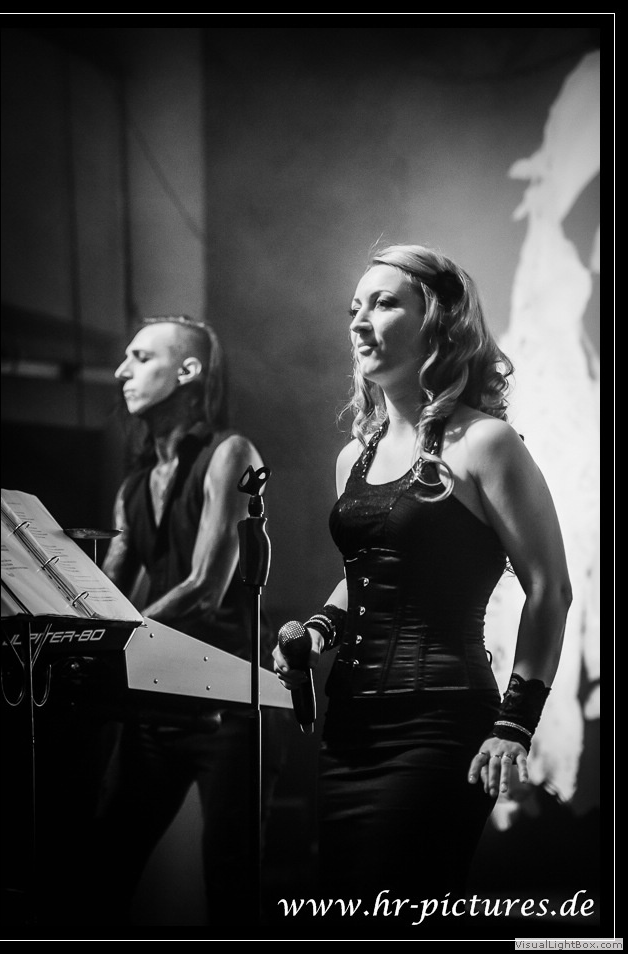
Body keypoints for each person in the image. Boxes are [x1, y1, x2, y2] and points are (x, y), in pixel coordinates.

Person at [272, 244, 572, 927]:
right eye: (354, 307)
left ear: (438, 322)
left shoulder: (485, 444)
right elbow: (365, 574)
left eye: (383, 303)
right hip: (349, 732)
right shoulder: (354, 456)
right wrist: (316, 630)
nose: (359, 321)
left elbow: (550, 587)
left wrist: (514, 725)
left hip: (439, 728)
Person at [79, 314, 287, 928]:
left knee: (231, 888)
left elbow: (204, 588)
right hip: (158, 707)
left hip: (233, 708)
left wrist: (118, 634)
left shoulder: (231, 454)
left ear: (189, 371)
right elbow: (106, 598)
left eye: (141, 357)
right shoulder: (133, 488)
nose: (121, 371)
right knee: (102, 874)